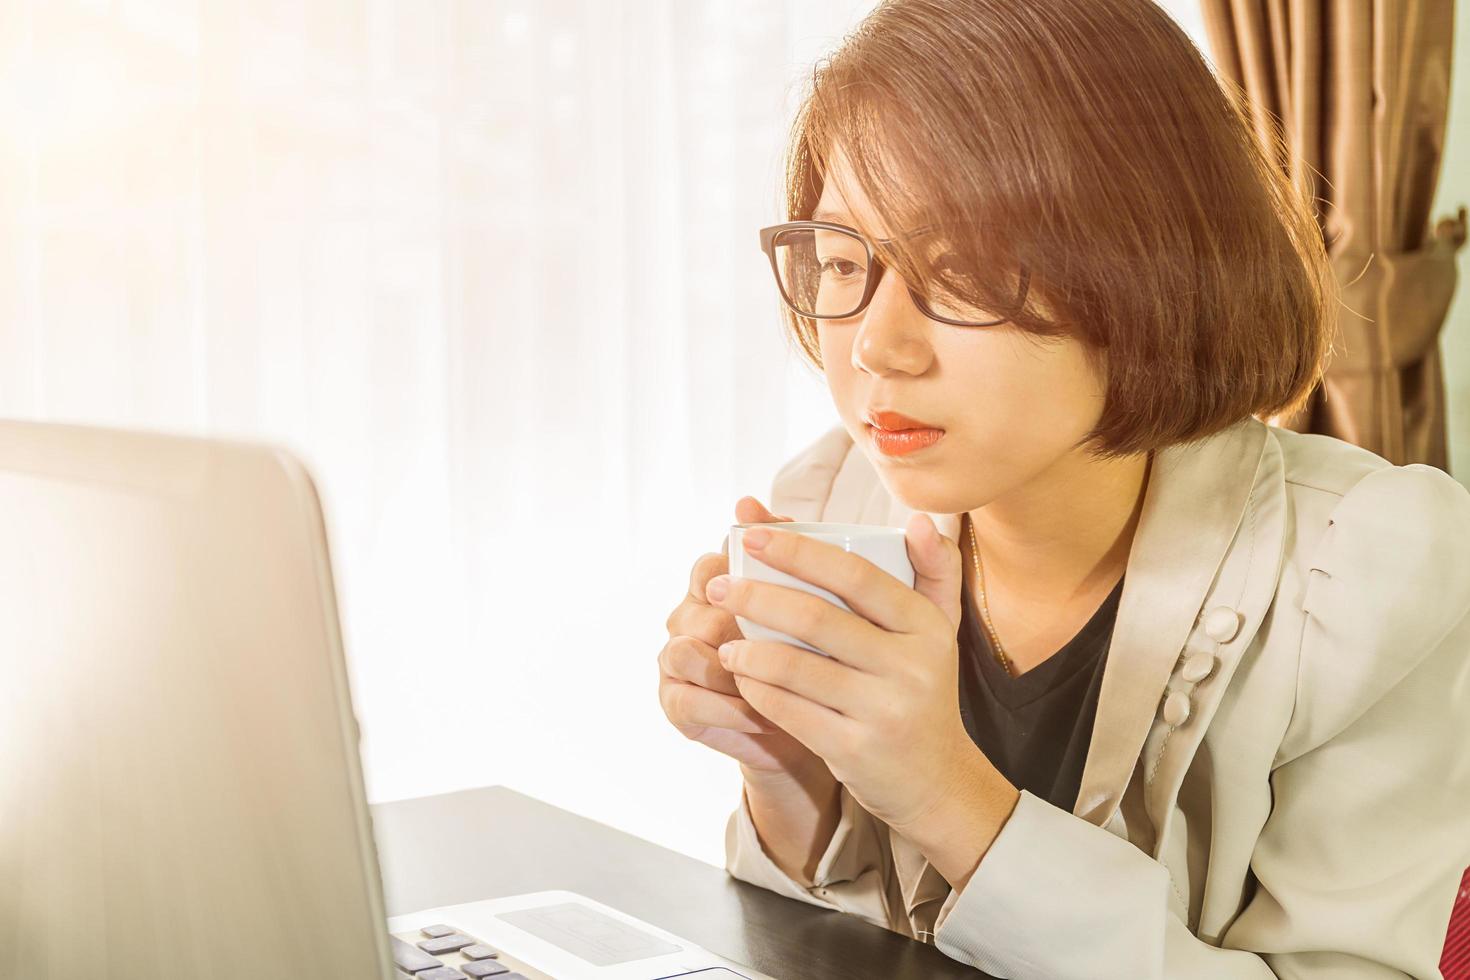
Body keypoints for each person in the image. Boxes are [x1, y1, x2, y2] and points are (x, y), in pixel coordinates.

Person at [656, 0, 1470, 976]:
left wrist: (947, 792)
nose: (876, 344)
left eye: (960, 269)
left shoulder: (1372, 568)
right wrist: (786, 778)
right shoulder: (838, 494)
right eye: (840, 261)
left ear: (1149, 265)